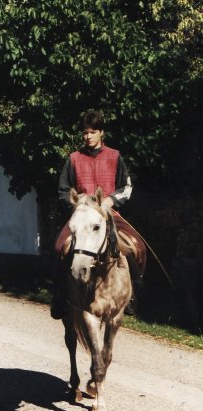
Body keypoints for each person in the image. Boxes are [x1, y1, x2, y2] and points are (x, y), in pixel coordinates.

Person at [51, 109, 146, 319]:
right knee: (60, 246)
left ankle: (132, 297)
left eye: (92, 132)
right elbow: (63, 190)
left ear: (101, 132)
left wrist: (111, 200)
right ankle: (59, 296)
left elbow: (126, 186)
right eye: (85, 133)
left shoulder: (115, 156)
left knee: (135, 246)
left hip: (108, 214)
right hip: (82, 216)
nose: (88, 137)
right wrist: (78, 205)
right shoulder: (74, 159)